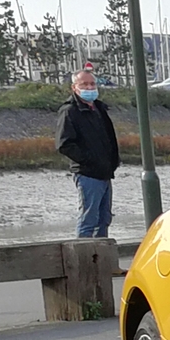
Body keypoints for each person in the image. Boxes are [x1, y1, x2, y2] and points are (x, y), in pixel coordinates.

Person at [55, 65, 121, 239]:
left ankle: (101, 256)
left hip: (105, 172)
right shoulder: (69, 111)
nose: (90, 88)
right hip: (88, 174)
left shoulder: (99, 109)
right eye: (84, 84)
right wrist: (88, 161)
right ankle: (84, 257)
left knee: (104, 218)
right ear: (74, 87)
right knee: (89, 218)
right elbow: (64, 144)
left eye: (92, 84)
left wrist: (112, 162)